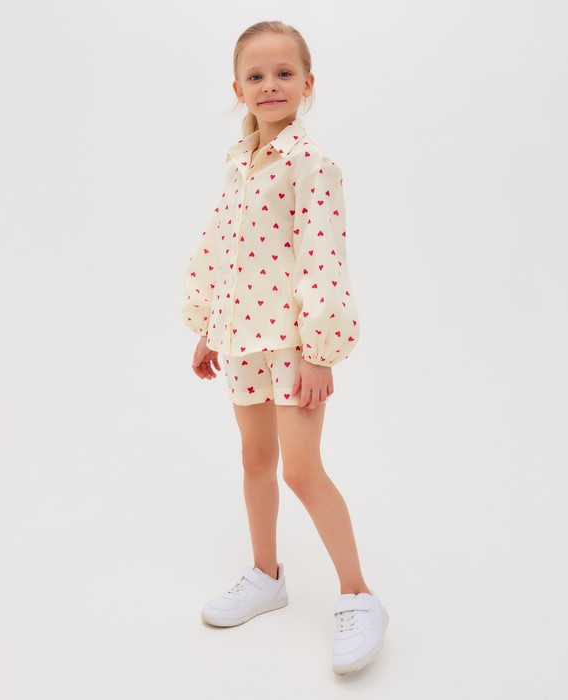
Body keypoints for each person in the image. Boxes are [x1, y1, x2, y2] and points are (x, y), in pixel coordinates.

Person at [181, 20, 389, 675]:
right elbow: (221, 246)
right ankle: (266, 575)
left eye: (283, 73)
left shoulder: (312, 165)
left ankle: (359, 595)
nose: (270, 84)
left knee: (301, 470)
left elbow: (323, 259)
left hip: (294, 347)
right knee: (255, 460)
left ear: (307, 83)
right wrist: (208, 325)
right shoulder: (240, 166)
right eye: (256, 75)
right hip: (242, 339)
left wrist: (319, 352)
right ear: (237, 88)